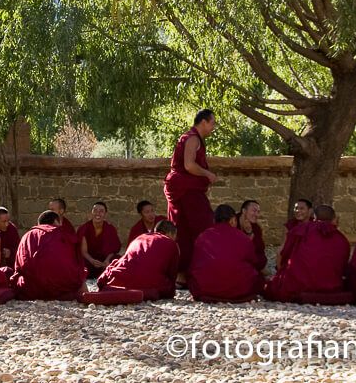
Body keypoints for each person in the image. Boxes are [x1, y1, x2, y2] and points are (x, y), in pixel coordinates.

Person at [164, 109, 217, 278]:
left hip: (184, 189)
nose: (213, 127)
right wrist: (207, 174)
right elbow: (189, 165)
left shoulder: (193, 138)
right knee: (202, 225)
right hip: (185, 189)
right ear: (203, 122)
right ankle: (193, 270)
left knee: (184, 228)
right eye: (212, 123)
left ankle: (183, 272)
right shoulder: (192, 138)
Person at [263, 205, 350, 303]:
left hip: (299, 284)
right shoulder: (341, 238)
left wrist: (281, 272)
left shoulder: (301, 229)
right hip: (331, 286)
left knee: (272, 286)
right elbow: (343, 265)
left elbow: (283, 254)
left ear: (314, 217)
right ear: (333, 218)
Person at [188, 205, 264, 302]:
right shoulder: (242, 237)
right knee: (258, 278)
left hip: (207, 289)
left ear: (214, 220)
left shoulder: (203, 236)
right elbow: (254, 261)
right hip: (238, 289)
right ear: (232, 220)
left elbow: (194, 264)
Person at [10, 211, 87, 301]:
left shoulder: (27, 235)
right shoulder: (63, 234)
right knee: (80, 274)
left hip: (33, 288)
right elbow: (76, 262)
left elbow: (19, 265)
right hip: (63, 286)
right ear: (55, 221)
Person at [96, 220, 179, 299]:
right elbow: (172, 274)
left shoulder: (140, 237)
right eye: (175, 236)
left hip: (121, 279)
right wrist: (171, 291)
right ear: (170, 233)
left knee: (118, 263)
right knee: (165, 286)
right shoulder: (171, 243)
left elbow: (126, 258)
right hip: (150, 282)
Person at [77, 202, 122, 278]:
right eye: (95, 210)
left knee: (117, 259)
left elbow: (113, 250)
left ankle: (106, 273)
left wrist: (107, 260)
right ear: (91, 213)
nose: (97, 213)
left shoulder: (110, 228)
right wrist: (92, 261)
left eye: (101, 211)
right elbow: (83, 251)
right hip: (89, 261)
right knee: (79, 262)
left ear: (105, 214)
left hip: (105, 261)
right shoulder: (84, 228)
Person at [278, 198, 315, 269]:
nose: (298, 211)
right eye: (296, 208)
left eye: (301, 208)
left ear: (310, 211)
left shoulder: (315, 225)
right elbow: (283, 248)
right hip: (292, 260)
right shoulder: (290, 226)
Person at [236, 199, 267, 271]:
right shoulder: (233, 223)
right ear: (244, 211)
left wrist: (250, 232)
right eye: (254, 211)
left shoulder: (256, 228)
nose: (256, 215)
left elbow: (260, 248)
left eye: (258, 212)